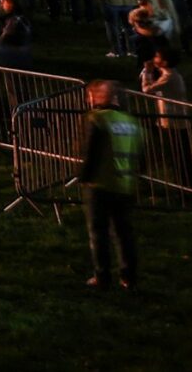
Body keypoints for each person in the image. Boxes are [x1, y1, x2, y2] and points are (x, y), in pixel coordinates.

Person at [81, 80, 144, 289]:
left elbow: (91, 151)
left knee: (99, 232)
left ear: (99, 97)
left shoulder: (98, 119)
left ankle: (102, 275)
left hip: (100, 184)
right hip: (125, 185)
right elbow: (141, 159)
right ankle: (129, 277)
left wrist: (84, 177)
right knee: (124, 233)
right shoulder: (132, 122)